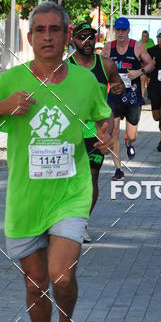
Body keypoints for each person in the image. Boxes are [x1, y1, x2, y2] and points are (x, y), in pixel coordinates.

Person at [0, 2, 113, 322]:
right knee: (35, 284)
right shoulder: (11, 81)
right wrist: (4, 106)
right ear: (29, 38)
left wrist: (104, 136)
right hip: (26, 198)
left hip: (71, 193)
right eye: (40, 30)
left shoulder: (84, 82)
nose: (48, 36)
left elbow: (101, 116)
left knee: (60, 275)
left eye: (55, 30)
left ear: (66, 37)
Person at [68, 21, 123, 242]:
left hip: (96, 130)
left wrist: (119, 87)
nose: (87, 41)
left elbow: (118, 85)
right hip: (70, 131)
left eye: (91, 37)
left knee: (91, 176)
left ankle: (81, 223)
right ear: (73, 41)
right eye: (82, 37)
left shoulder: (107, 65)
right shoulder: (65, 67)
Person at [103, 16, 153, 178]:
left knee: (132, 135)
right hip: (115, 96)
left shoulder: (137, 47)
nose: (121, 33)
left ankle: (129, 142)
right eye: (118, 30)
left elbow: (151, 64)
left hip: (133, 97)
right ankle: (118, 169)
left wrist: (139, 72)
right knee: (114, 131)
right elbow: (100, 67)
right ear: (115, 31)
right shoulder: (108, 48)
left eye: (124, 30)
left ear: (128, 30)